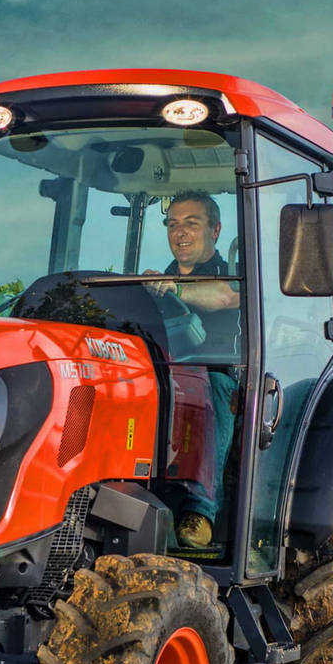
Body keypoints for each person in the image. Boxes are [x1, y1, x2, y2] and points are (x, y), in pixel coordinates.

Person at [145, 191, 239, 549]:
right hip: (163, 373)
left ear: (215, 230)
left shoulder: (232, 278)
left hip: (217, 378)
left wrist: (176, 289)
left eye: (191, 223)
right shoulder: (159, 279)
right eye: (172, 224)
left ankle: (201, 512)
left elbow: (225, 297)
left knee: (211, 387)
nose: (180, 233)